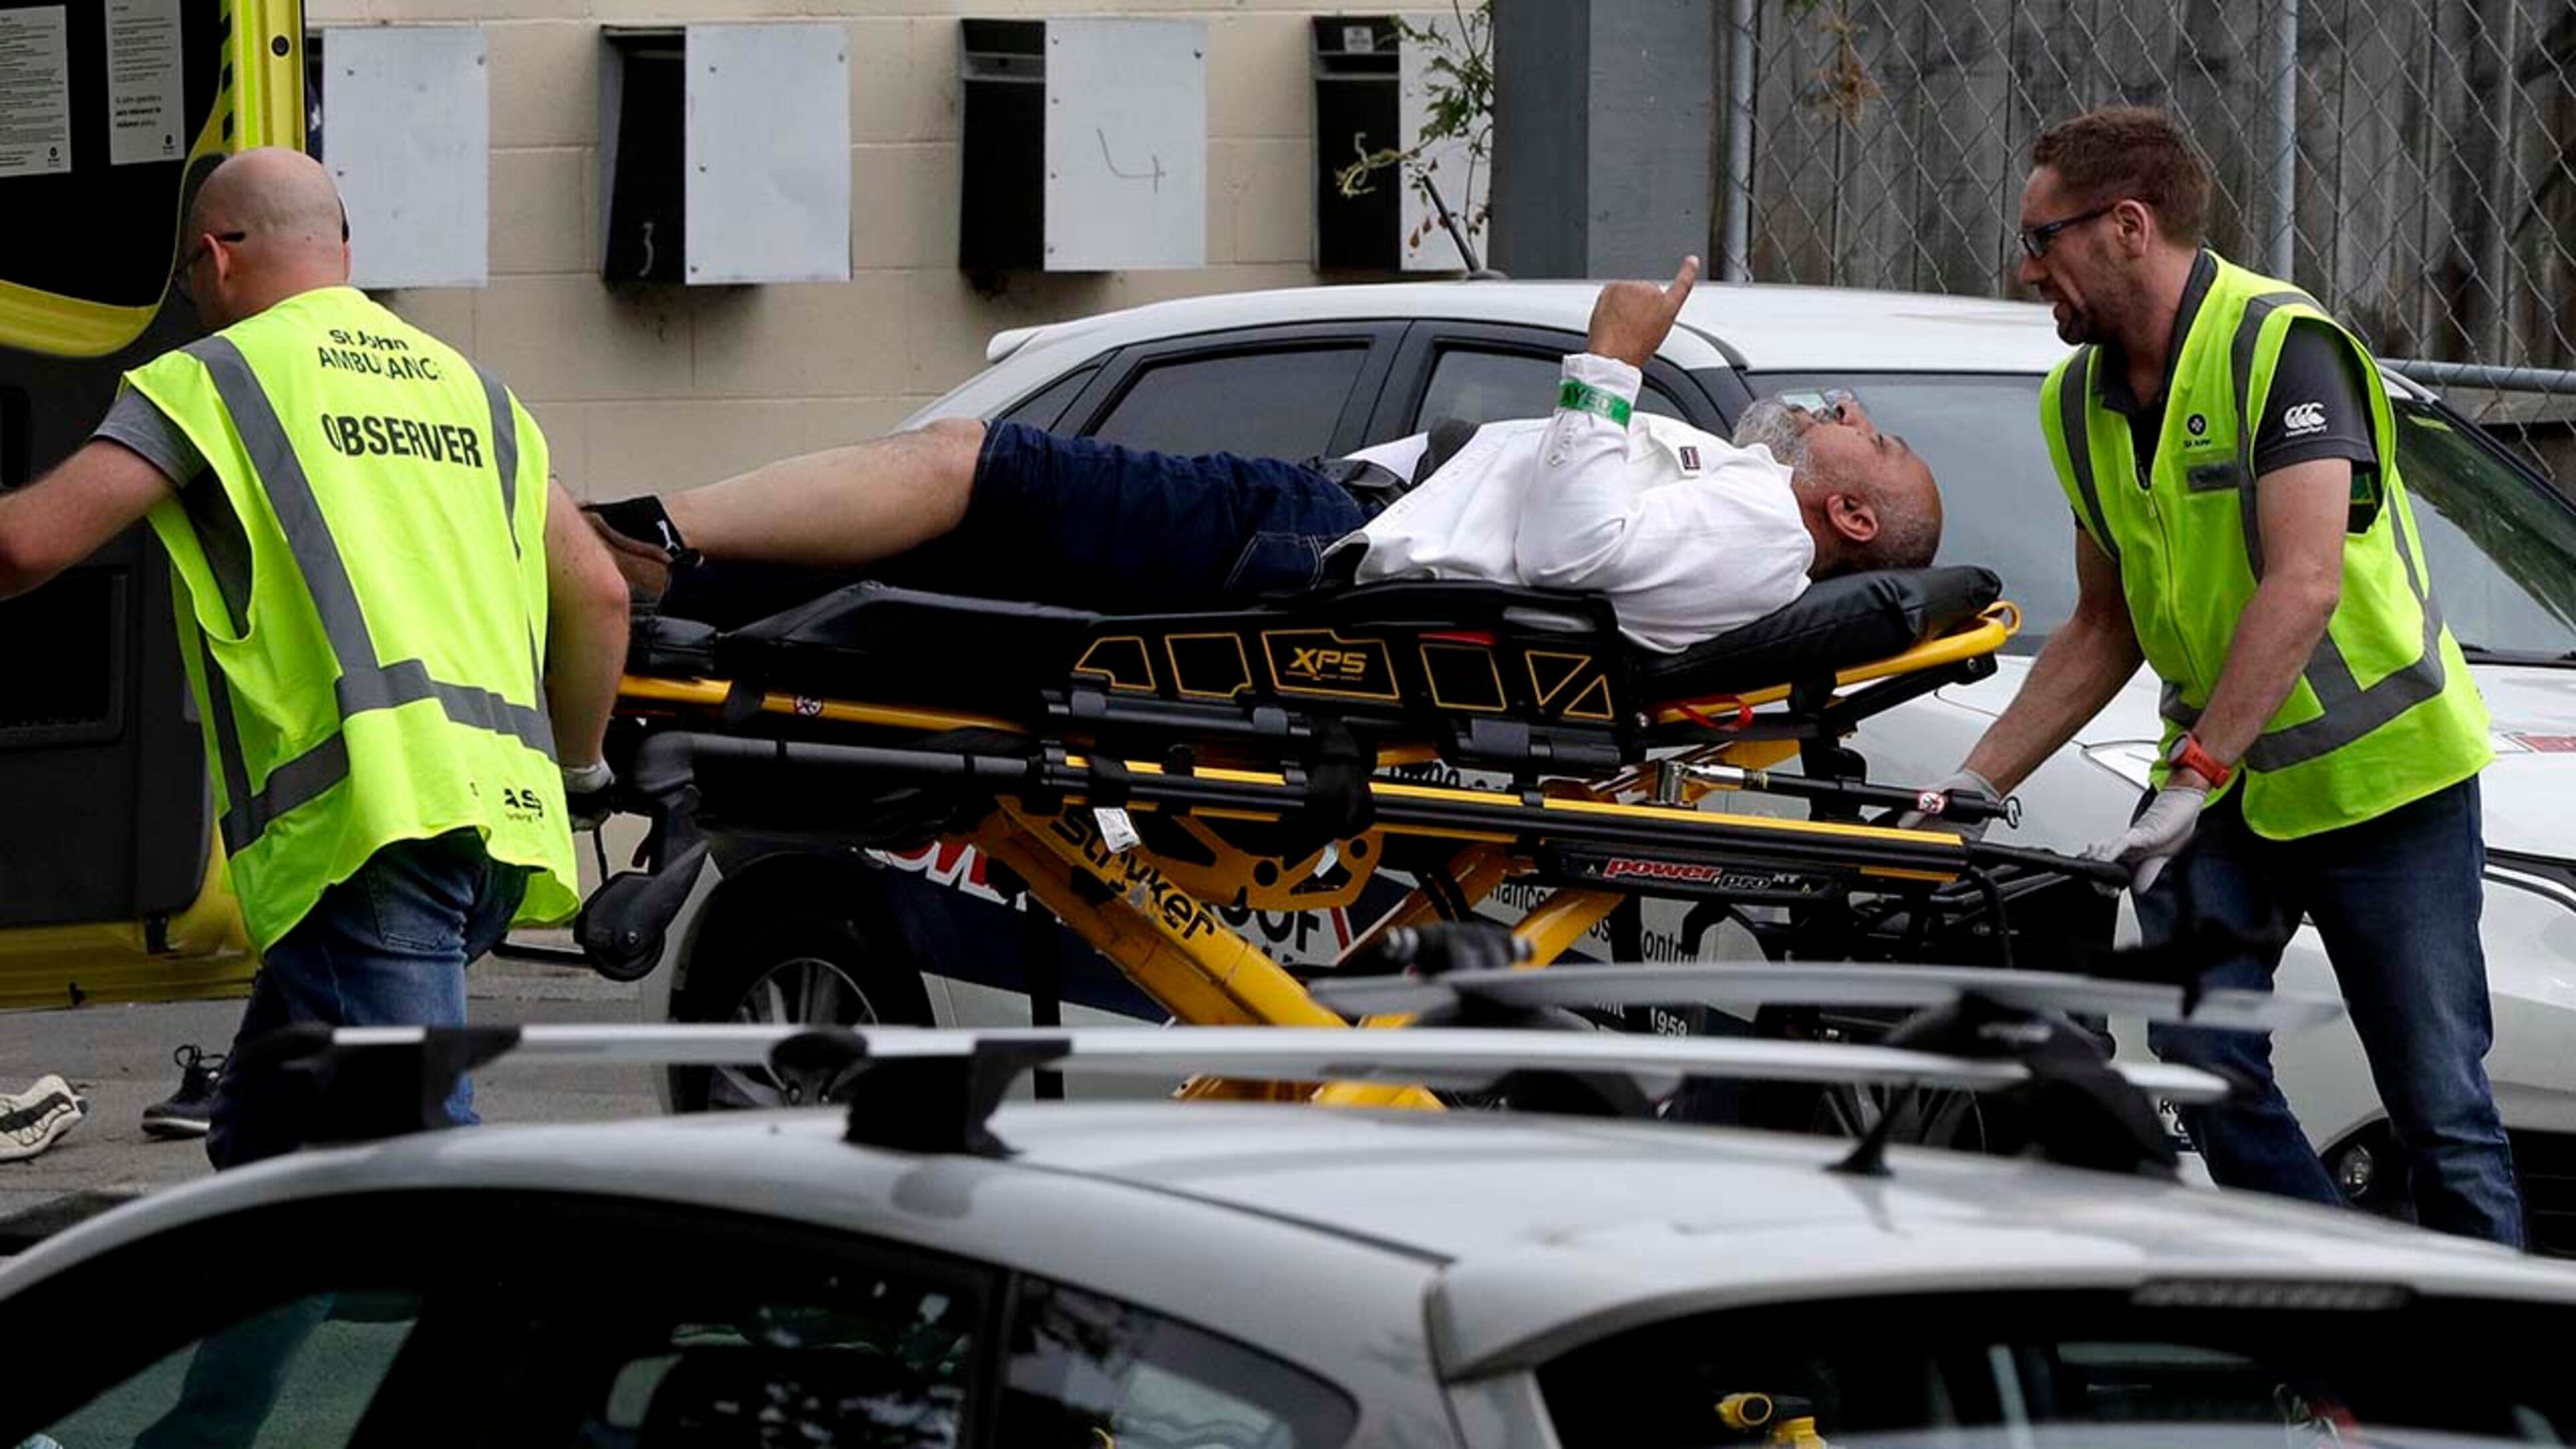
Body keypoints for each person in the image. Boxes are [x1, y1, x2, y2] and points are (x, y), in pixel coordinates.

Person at [1915, 107, 2521, 1244]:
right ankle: (2343, 1322)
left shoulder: (2279, 348)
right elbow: (2105, 626)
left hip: (2382, 783)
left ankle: (2507, 1399)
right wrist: (1974, 784)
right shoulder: (2077, 399)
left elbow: (2304, 587)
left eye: (2042, 239)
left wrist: (2190, 777)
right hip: (2226, 787)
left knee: (2439, 1107)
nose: (2025, 267)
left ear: (2126, 228)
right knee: (2200, 1056)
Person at [0, 148, 631, 1169]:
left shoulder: (215, 379)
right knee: (260, 1152)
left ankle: (488, 1332)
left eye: (188, 282)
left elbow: (24, 547)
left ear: (215, 258)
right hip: (494, 837)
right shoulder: (477, 393)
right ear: (342, 252)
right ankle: (245, 1330)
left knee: (421, 1171)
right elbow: (600, 595)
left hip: (366, 838)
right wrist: (578, 771)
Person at [587, 256, 1943, 652]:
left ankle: (634, 533)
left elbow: (1576, 551)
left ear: (1854, 519)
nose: (1834, 409)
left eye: (1861, 433)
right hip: (1329, 520)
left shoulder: (1766, 528)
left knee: (965, 462)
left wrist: (1607, 357)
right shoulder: (1748, 498)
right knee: (946, 549)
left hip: (1322, 541)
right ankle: (657, 589)